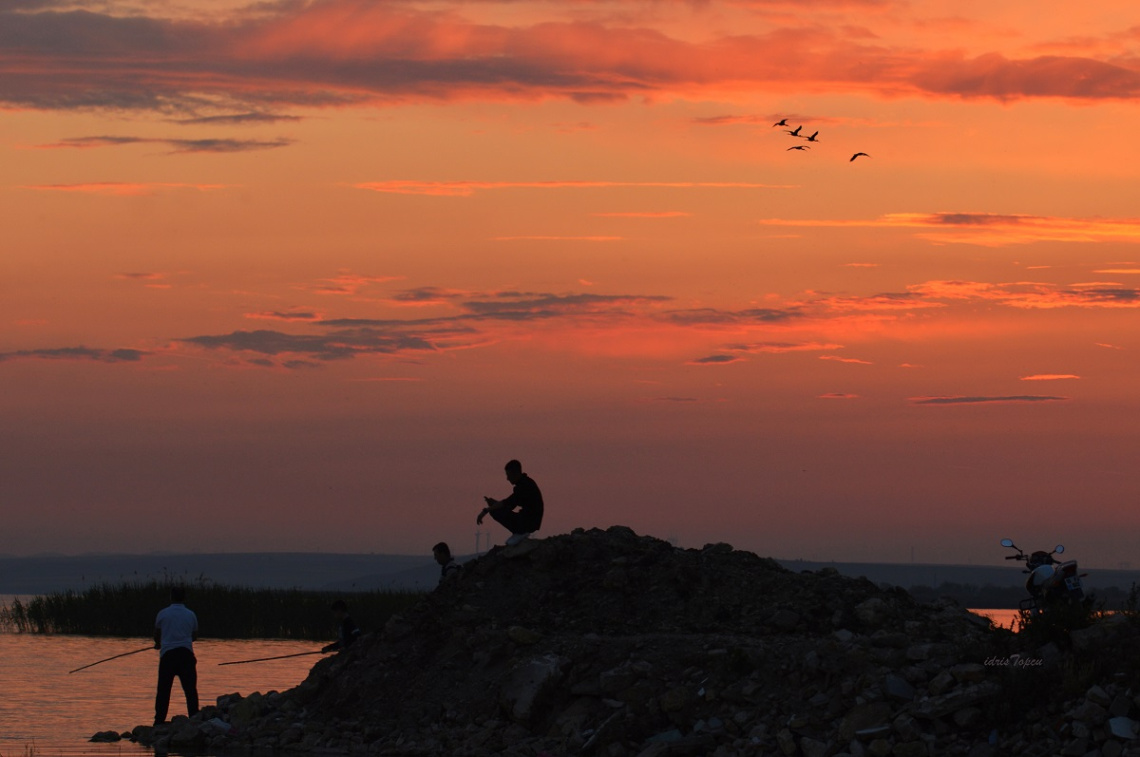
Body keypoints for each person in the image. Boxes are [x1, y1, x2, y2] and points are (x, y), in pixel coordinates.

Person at [154, 586, 199, 726]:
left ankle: (159, 721)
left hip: (168, 656)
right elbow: (194, 636)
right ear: (184, 598)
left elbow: (157, 634)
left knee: (163, 690)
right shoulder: (190, 614)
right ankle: (194, 718)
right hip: (186, 655)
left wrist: (158, 643)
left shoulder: (163, 613)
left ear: (171, 597)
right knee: (190, 689)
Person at [477, 459, 544, 546]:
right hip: (529, 520)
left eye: (508, 475)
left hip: (528, 522)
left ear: (515, 473)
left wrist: (486, 510)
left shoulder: (524, 486)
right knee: (496, 509)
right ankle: (519, 531)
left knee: (495, 511)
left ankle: (521, 532)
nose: (507, 478)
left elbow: (508, 503)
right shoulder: (525, 483)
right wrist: (494, 504)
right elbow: (509, 503)